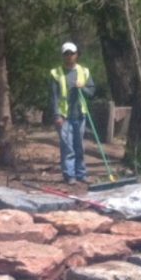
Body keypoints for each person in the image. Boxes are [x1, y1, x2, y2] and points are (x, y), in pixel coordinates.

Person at [50, 42, 96, 184]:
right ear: (63, 56)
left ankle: (81, 174)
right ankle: (69, 175)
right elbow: (54, 96)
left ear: (76, 54)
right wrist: (57, 115)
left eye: (71, 53)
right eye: (66, 54)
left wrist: (83, 88)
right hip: (64, 117)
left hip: (80, 115)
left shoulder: (84, 71)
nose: (69, 56)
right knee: (67, 147)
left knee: (79, 146)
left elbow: (92, 92)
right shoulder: (56, 73)